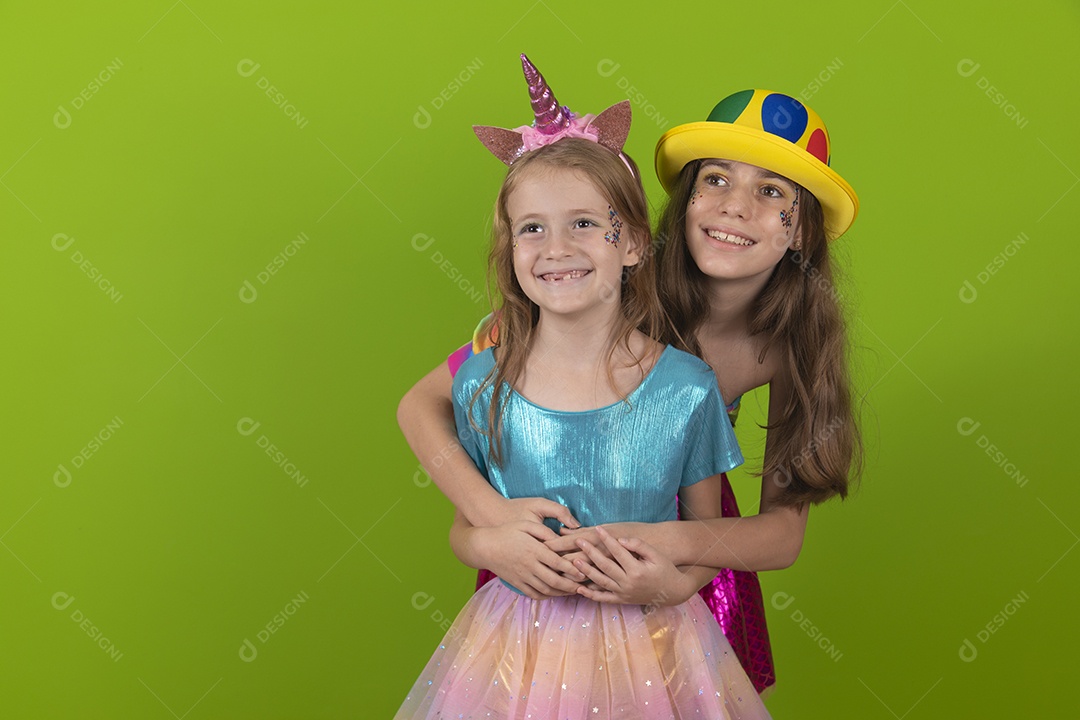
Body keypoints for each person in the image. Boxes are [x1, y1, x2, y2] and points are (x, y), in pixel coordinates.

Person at [399, 86, 863, 695]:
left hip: (684, 565)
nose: (735, 207)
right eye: (716, 180)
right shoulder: (598, 290)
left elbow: (782, 534)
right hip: (551, 554)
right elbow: (421, 403)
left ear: (802, 230)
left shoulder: (786, 348)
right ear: (684, 199)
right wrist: (490, 522)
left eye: (772, 191)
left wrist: (670, 561)